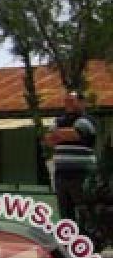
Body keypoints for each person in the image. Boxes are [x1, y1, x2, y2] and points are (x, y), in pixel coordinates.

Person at [44, 91, 98, 223]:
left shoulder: (87, 120)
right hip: (61, 175)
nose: (68, 104)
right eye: (66, 101)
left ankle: (88, 239)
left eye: (71, 101)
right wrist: (60, 134)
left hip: (82, 175)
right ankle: (69, 241)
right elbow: (48, 140)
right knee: (65, 212)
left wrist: (57, 133)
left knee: (84, 210)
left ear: (81, 102)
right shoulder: (59, 120)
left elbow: (76, 134)